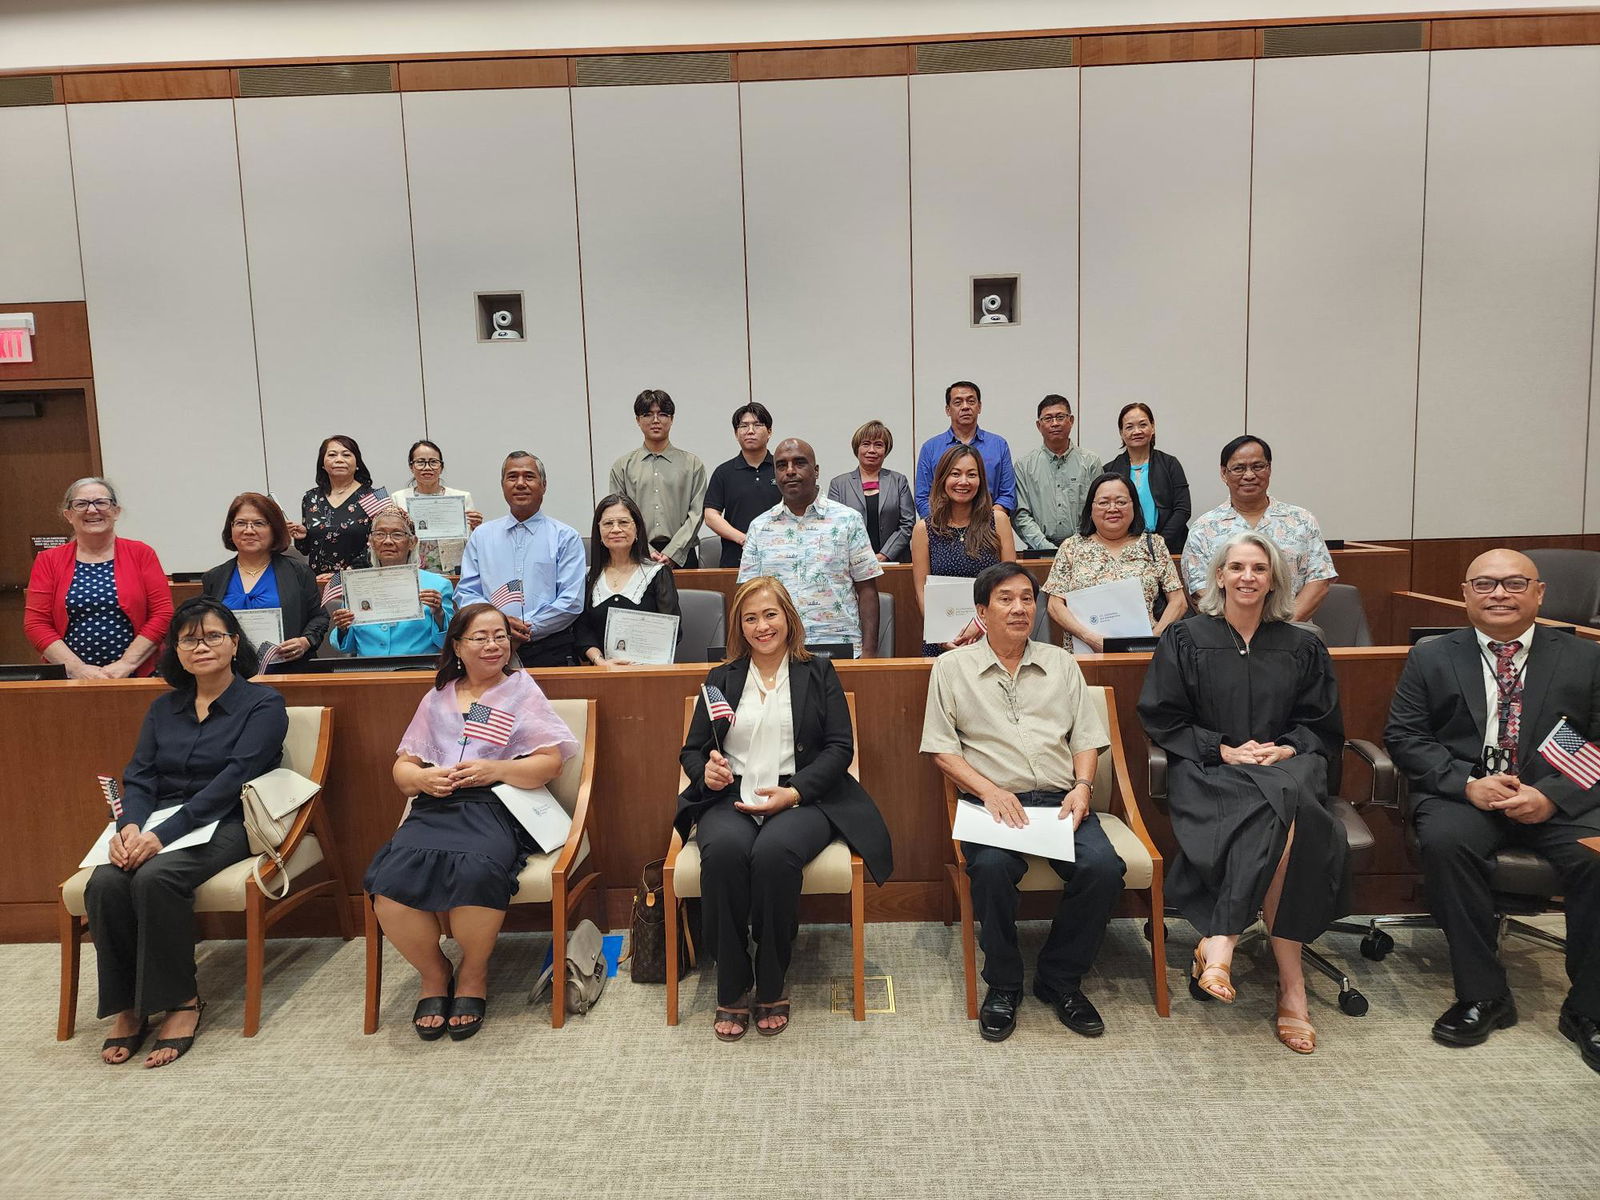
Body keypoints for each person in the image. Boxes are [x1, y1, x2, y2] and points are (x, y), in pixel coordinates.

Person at [1384, 549, 1600, 1072]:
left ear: (1539, 593)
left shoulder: (1583, 657)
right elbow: (1406, 737)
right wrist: (1468, 784)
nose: (1498, 594)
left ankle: (1589, 1009)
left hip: (1558, 791)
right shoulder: (1433, 655)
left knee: (1596, 859)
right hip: (1468, 793)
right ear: (1465, 593)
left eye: (1512, 583)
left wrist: (1551, 795)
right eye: (1484, 584)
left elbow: (1596, 740)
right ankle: (1483, 996)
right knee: (1444, 843)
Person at [1137, 532, 1346, 1055]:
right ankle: (1290, 984)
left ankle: (1223, 938)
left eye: (1258, 568)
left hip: (1287, 765)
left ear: (1274, 577)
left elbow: (1322, 724)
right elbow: (1162, 717)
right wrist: (1223, 750)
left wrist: (1286, 749)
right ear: (1220, 576)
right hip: (1214, 770)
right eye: (1236, 567)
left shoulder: (1303, 644)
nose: (1247, 577)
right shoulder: (1185, 638)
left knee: (1286, 799)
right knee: (1285, 815)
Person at [677, 576, 892, 1039]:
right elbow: (693, 750)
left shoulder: (819, 670)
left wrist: (794, 794)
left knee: (774, 856)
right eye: (750, 618)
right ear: (739, 625)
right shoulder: (721, 677)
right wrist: (706, 771)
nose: (761, 626)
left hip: (803, 796)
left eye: (770, 614)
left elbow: (839, 748)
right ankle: (732, 983)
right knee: (726, 855)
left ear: (788, 618)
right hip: (731, 795)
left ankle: (772, 977)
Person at [921, 562, 1124, 1042]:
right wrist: (990, 790)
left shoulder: (1060, 662)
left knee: (1103, 869)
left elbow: (1086, 739)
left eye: (1026, 599)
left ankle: (1060, 979)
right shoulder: (951, 668)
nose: (1019, 608)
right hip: (991, 803)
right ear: (981, 611)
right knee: (990, 871)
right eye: (1005, 599)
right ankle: (1004, 984)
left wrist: (1082, 787)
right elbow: (941, 749)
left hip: (1059, 798)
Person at [86, 597, 287, 1067]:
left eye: (213, 636)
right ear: (175, 650)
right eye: (189, 639)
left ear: (235, 643)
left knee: (158, 877)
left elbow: (235, 779)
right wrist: (130, 826)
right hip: (156, 822)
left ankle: (182, 1001)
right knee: (106, 881)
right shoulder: (163, 708)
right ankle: (130, 1006)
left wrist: (162, 836)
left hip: (227, 821)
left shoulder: (263, 703)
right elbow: (140, 775)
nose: (202, 647)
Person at [364, 602, 579, 1040]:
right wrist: (422, 777)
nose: (492, 645)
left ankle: (474, 974)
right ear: (457, 646)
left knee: (478, 870)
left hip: (497, 805)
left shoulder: (521, 689)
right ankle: (433, 972)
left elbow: (550, 763)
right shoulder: (437, 696)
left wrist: (494, 769)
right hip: (436, 807)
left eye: (500, 635)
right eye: (479, 637)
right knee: (387, 883)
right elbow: (402, 769)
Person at [738, 438, 880, 656]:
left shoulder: (848, 520)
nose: (790, 471)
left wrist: (869, 654)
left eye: (799, 463)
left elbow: (867, 590)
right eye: (782, 465)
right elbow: (747, 597)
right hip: (777, 651)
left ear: (816, 470)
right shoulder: (759, 527)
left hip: (840, 647)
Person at [25, 477, 172, 679]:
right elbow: (36, 624)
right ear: (68, 514)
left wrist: (126, 664)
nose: (92, 510)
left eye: (101, 502)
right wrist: (77, 669)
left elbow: (162, 614)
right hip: (70, 679)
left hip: (138, 674)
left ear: (116, 511)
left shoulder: (141, 553)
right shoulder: (48, 560)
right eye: (81, 504)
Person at [1181, 435, 1336, 621]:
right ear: (1224, 473)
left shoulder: (1302, 520)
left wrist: (1283, 631)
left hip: (1292, 634)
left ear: (1269, 468)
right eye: (1238, 468)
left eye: (1257, 466)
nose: (1249, 475)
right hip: (1227, 637)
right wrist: (1239, 631)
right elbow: (1199, 589)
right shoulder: (1203, 528)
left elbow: (1319, 581)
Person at [456, 451, 585, 667]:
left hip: (549, 650)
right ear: (503, 485)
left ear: (543, 485)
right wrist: (499, 627)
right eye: (512, 476)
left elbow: (571, 600)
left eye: (529, 476)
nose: (520, 483)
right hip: (490, 652)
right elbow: (466, 592)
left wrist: (522, 629)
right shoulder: (481, 536)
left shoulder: (565, 536)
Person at [1041, 473, 1185, 652]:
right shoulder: (1072, 547)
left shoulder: (1154, 544)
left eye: (1121, 502)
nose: (1112, 508)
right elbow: (1055, 606)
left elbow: (1178, 601)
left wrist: (1154, 638)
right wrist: (1092, 639)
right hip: (1085, 652)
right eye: (1103, 502)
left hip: (1145, 653)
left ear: (1134, 506)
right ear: (1091, 508)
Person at [200, 492, 326, 670]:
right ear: (231, 529)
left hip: (289, 672)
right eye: (241, 523)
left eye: (259, 523)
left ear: (274, 529)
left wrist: (305, 641)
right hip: (230, 676)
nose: (249, 530)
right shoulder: (215, 578)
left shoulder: (299, 572)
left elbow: (319, 617)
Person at [911, 446, 1016, 656]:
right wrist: (941, 635)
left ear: (981, 480)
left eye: (972, 474)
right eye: (955, 474)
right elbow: (922, 591)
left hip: (993, 636)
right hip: (943, 641)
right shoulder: (924, 529)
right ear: (942, 479)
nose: (963, 482)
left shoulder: (999, 521)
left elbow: (1012, 584)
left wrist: (981, 625)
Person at [328, 507, 455, 658]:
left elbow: (449, 643)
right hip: (368, 672)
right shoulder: (356, 583)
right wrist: (343, 628)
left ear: (412, 542)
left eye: (397, 534)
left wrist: (439, 613)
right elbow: (345, 647)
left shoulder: (437, 585)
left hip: (417, 671)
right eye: (380, 534)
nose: (388, 541)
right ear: (371, 542)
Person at [575, 493, 681, 665]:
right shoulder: (589, 577)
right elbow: (582, 630)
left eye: (623, 522)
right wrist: (600, 662)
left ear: (637, 529)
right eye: (608, 523)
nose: (616, 529)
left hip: (649, 672)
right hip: (602, 672)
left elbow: (671, 630)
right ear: (599, 531)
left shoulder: (657, 573)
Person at [608, 389, 708, 568]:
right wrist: (645, 550)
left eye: (662, 414)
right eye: (647, 414)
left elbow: (697, 513)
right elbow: (618, 514)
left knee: (690, 597)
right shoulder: (623, 466)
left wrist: (672, 552)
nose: (655, 420)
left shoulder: (692, 464)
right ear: (638, 420)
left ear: (671, 419)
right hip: (636, 554)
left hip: (682, 556)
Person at [1013, 395, 1104, 552]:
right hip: (1039, 551)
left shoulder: (1090, 462)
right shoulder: (1024, 466)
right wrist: (1046, 548)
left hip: (1085, 550)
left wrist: (1077, 545)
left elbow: (1100, 509)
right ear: (1038, 425)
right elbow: (1020, 515)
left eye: (1060, 417)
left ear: (1071, 420)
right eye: (1048, 418)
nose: (1054, 423)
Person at [289, 435, 390, 576]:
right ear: (323, 464)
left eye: (346, 455)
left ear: (357, 463)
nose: (339, 460)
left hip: (360, 580)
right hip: (319, 582)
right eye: (332, 455)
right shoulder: (311, 498)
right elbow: (306, 549)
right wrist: (303, 536)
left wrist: (342, 576)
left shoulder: (374, 497)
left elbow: (381, 545)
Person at [914, 380, 1015, 517]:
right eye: (958, 402)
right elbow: (922, 498)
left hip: (987, 529)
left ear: (979, 407)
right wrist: (947, 526)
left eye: (971, 401)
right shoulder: (930, 448)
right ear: (948, 410)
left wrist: (985, 523)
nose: (965, 407)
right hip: (942, 530)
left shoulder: (998, 445)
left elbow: (1007, 496)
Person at [826, 419, 916, 564]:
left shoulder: (899, 481)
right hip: (853, 562)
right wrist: (862, 558)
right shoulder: (838, 484)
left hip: (895, 562)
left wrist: (884, 555)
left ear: (886, 450)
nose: (872, 450)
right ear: (857, 448)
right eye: (866, 444)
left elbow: (907, 523)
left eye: (878, 445)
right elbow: (835, 527)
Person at [704, 402, 781, 568]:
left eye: (757, 425)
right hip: (736, 559)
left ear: (769, 432)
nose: (750, 431)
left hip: (780, 556)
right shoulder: (723, 472)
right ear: (736, 433)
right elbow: (711, 516)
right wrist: (744, 539)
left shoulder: (783, 469)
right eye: (744, 426)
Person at [1106, 403, 1191, 554]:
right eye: (1129, 427)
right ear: (1121, 433)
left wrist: (1159, 543)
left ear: (1153, 427)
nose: (1137, 431)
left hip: (1170, 547)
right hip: (1125, 548)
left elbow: (1183, 509)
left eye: (1143, 424)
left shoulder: (1170, 464)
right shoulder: (1110, 470)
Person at [391, 440, 483, 574]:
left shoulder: (461, 497)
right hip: (415, 569)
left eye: (433, 462)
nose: (427, 467)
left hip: (454, 570)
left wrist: (476, 527)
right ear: (411, 467)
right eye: (420, 462)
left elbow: (472, 540)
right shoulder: (398, 499)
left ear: (441, 467)